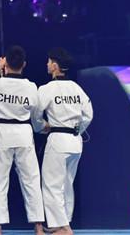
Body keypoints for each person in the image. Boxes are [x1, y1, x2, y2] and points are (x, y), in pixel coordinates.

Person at [0, 46, 45, 235]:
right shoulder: (31, 87)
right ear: (24, 64)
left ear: (6, 63)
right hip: (23, 132)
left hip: (3, 133)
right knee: (31, 179)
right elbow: (35, 110)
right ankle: (38, 227)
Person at [39, 48, 93, 235]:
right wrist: (77, 130)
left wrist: (42, 126)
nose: (47, 64)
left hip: (58, 139)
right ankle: (63, 223)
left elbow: (36, 113)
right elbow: (88, 114)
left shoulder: (47, 89)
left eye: (49, 62)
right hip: (75, 141)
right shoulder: (76, 88)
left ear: (55, 65)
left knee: (51, 184)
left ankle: (63, 227)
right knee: (67, 184)